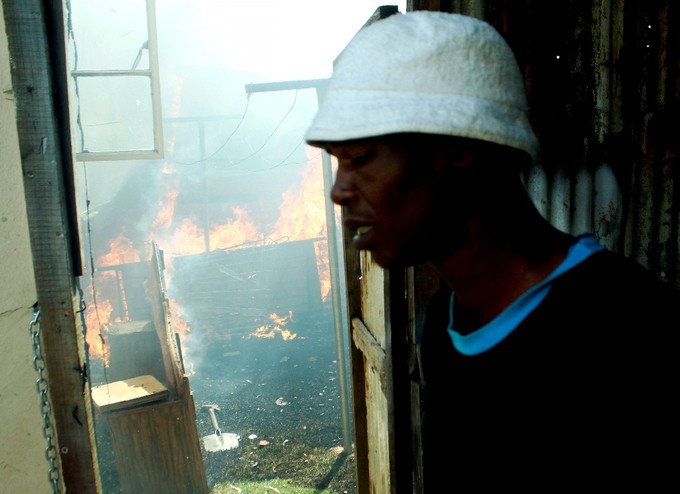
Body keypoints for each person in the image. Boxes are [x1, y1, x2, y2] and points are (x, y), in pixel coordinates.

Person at [304, 10, 679, 491]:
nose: (338, 191)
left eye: (359, 158)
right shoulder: (445, 326)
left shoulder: (632, 332)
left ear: (461, 148)